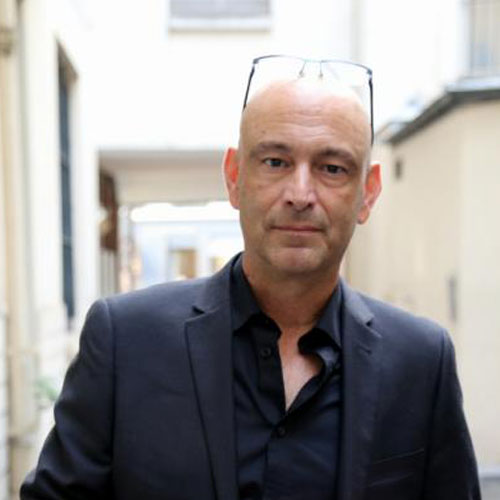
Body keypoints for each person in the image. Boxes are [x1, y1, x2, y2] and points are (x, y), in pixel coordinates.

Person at [21, 56, 481, 500]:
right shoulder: (126, 341)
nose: (300, 194)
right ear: (234, 176)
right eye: (276, 162)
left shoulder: (421, 362)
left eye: (332, 168)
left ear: (368, 193)